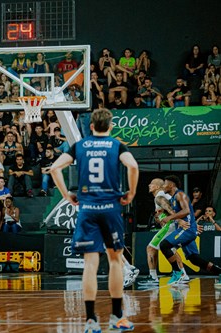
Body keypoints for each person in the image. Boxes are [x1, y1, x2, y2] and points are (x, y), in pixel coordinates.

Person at [50, 108, 139, 332]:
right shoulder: (117, 145)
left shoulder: (79, 147)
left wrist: (66, 195)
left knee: (90, 264)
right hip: (110, 208)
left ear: (91, 126)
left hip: (87, 209)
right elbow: (133, 166)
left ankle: (90, 320)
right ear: (110, 126)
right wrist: (131, 192)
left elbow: (54, 168)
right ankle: (117, 316)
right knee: (115, 261)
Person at [160, 175, 221, 284]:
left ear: (171, 185)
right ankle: (219, 272)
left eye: (164, 183)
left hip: (187, 230)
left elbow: (187, 211)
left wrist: (170, 217)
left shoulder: (180, 194)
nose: (163, 186)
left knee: (164, 245)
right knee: (194, 259)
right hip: (187, 229)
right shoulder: (174, 197)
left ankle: (178, 273)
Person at [139, 178, 189, 286]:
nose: (149, 185)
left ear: (157, 187)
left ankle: (153, 277)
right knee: (171, 249)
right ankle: (183, 274)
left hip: (171, 226)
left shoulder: (159, 195)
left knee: (151, 248)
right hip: (173, 225)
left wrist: (177, 220)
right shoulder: (165, 195)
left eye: (151, 184)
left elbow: (171, 209)